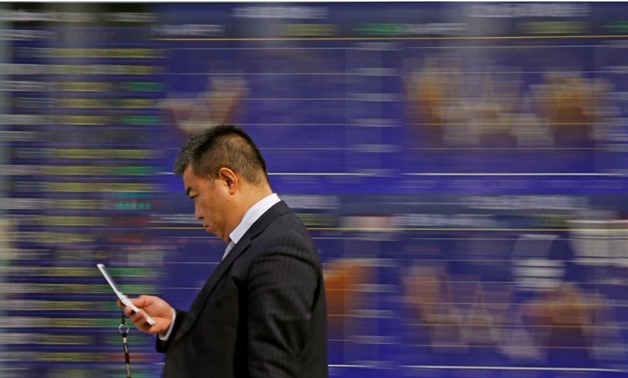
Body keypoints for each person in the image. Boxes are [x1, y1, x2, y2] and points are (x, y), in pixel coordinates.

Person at [119, 124, 329, 377]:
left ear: (228, 181)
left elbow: (272, 366)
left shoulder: (280, 246)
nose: (196, 214)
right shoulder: (262, 240)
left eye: (195, 196)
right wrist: (174, 324)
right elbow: (239, 342)